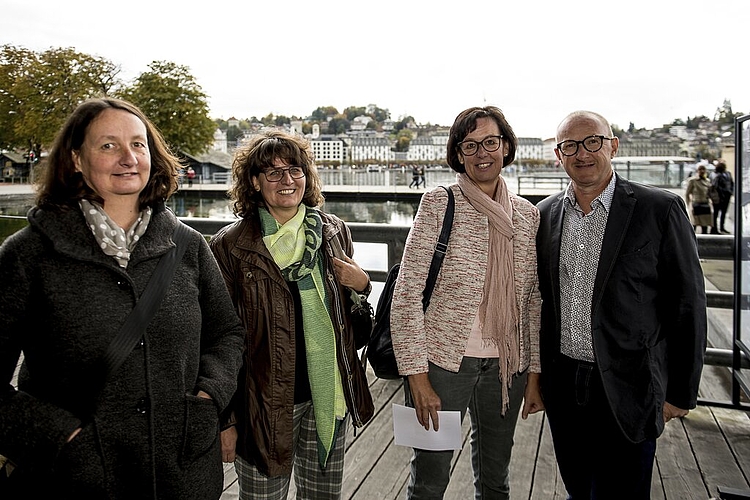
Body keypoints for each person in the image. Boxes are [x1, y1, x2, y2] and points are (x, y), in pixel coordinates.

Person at [0, 98, 245, 499]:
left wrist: (208, 398)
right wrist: (62, 437)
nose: (128, 158)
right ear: (76, 159)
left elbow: (227, 333)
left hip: (182, 476)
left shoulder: (187, 246)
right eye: (108, 145)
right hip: (74, 481)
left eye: (138, 144)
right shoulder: (29, 255)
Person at [536, 110, 707, 499]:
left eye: (592, 141)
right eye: (570, 146)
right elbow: (539, 302)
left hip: (630, 385)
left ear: (612, 145)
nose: (582, 153)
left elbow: (688, 304)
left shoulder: (659, 209)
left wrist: (681, 392)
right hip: (564, 386)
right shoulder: (544, 215)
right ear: (558, 155)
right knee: (579, 489)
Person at [209, 129, 375, 499]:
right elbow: (219, 339)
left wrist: (362, 286)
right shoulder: (232, 245)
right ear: (253, 182)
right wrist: (227, 421)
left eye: (295, 169)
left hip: (327, 398)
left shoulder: (334, 232)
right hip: (262, 409)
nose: (287, 180)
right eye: (273, 172)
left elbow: (357, 331)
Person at [390, 106, 543, 499]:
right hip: (441, 366)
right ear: (458, 154)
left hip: (507, 368)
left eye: (490, 142)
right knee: (429, 479)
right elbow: (407, 293)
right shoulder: (440, 203)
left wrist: (536, 374)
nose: (482, 153)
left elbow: (532, 302)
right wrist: (416, 376)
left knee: (496, 479)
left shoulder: (527, 215)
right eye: (470, 145)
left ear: (506, 146)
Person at [685, 164, 713, 233]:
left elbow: (710, 193)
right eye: (700, 169)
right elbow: (687, 193)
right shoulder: (693, 181)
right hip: (696, 204)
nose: (702, 171)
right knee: (694, 224)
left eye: (703, 169)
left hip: (705, 204)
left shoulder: (707, 181)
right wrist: (688, 204)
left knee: (705, 224)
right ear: (697, 171)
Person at [711, 159, 734, 234]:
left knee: (724, 213)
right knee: (716, 213)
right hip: (719, 197)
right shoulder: (716, 175)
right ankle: (714, 228)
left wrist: (731, 192)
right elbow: (715, 186)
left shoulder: (728, 174)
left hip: (727, 196)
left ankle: (722, 227)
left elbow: (732, 183)